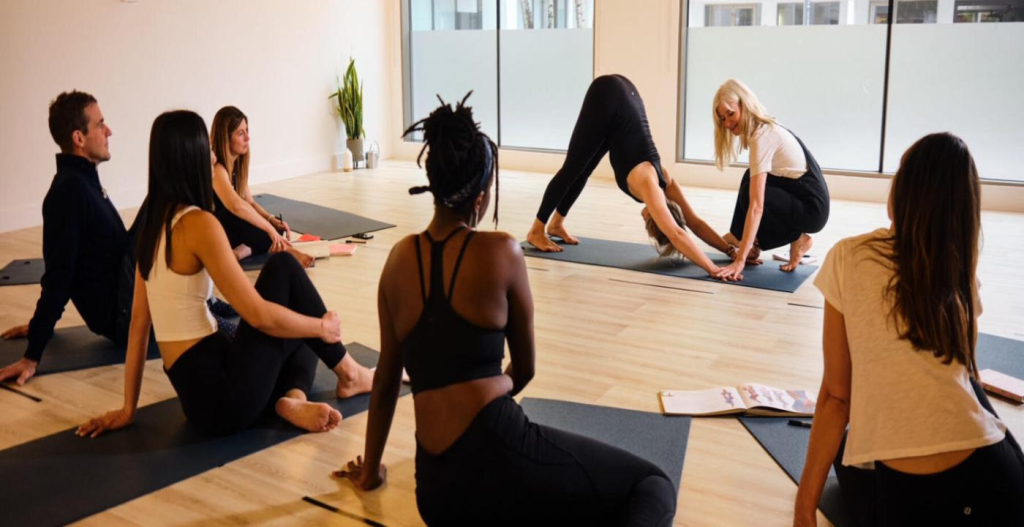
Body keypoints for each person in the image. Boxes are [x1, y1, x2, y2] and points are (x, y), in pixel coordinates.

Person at [335, 94, 677, 526]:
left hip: (436, 493)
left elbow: (386, 381)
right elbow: (525, 370)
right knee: (652, 486)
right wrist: (492, 389)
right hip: (500, 458)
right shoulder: (501, 253)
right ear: (481, 196)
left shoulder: (397, 261)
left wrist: (370, 473)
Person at [77, 111, 374, 438]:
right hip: (227, 397)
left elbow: (138, 328)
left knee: (297, 323)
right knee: (286, 273)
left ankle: (293, 399)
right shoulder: (199, 224)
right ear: (190, 158)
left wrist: (127, 409)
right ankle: (350, 374)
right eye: (207, 150)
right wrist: (322, 327)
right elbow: (258, 315)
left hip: (197, 403)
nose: (214, 157)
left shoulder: (150, 230)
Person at [794, 133, 1024, 526]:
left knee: (847, 453)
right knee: (969, 385)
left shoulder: (849, 256)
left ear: (904, 189)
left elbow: (837, 397)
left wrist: (803, 510)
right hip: (999, 484)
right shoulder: (960, 273)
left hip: (913, 498)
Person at [526, 75, 740, 278]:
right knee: (572, 168)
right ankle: (536, 230)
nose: (644, 221)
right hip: (608, 95)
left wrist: (730, 251)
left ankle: (556, 224)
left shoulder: (665, 179)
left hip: (624, 98)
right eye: (651, 227)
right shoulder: (650, 185)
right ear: (657, 220)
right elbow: (676, 233)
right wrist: (713, 268)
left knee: (583, 168)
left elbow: (694, 222)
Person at [0, 91, 134, 385]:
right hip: (124, 316)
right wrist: (33, 352)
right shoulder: (69, 193)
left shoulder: (85, 182)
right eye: (100, 124)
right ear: (79, 138)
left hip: (132, 296)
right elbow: (60, 275)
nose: (109, 131)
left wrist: (39, 325)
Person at [711, 79, 829, 281]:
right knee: (750, 178)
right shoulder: (763, 129)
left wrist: (739, 261)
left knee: (753, 196)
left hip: (813, 211)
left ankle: (798, 238)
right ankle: (742, 239)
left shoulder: (762, 137)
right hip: (802, 197)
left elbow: (756, 207)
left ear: (744, 105)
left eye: (731, 114)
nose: (727, 123)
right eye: (722, 118)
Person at [210, 106, 313, 267]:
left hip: (234, 231)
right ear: (226, 138)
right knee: (238, 216)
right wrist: (270, 231)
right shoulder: (218, 169)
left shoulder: (236, 168)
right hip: (217, 231)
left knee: (275, 227)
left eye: (247, 131)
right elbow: (236, 206)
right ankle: (286, 250)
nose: (248, 138)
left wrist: (271, 220)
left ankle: (240, 252)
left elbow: (250, 202)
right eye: (240, 133)